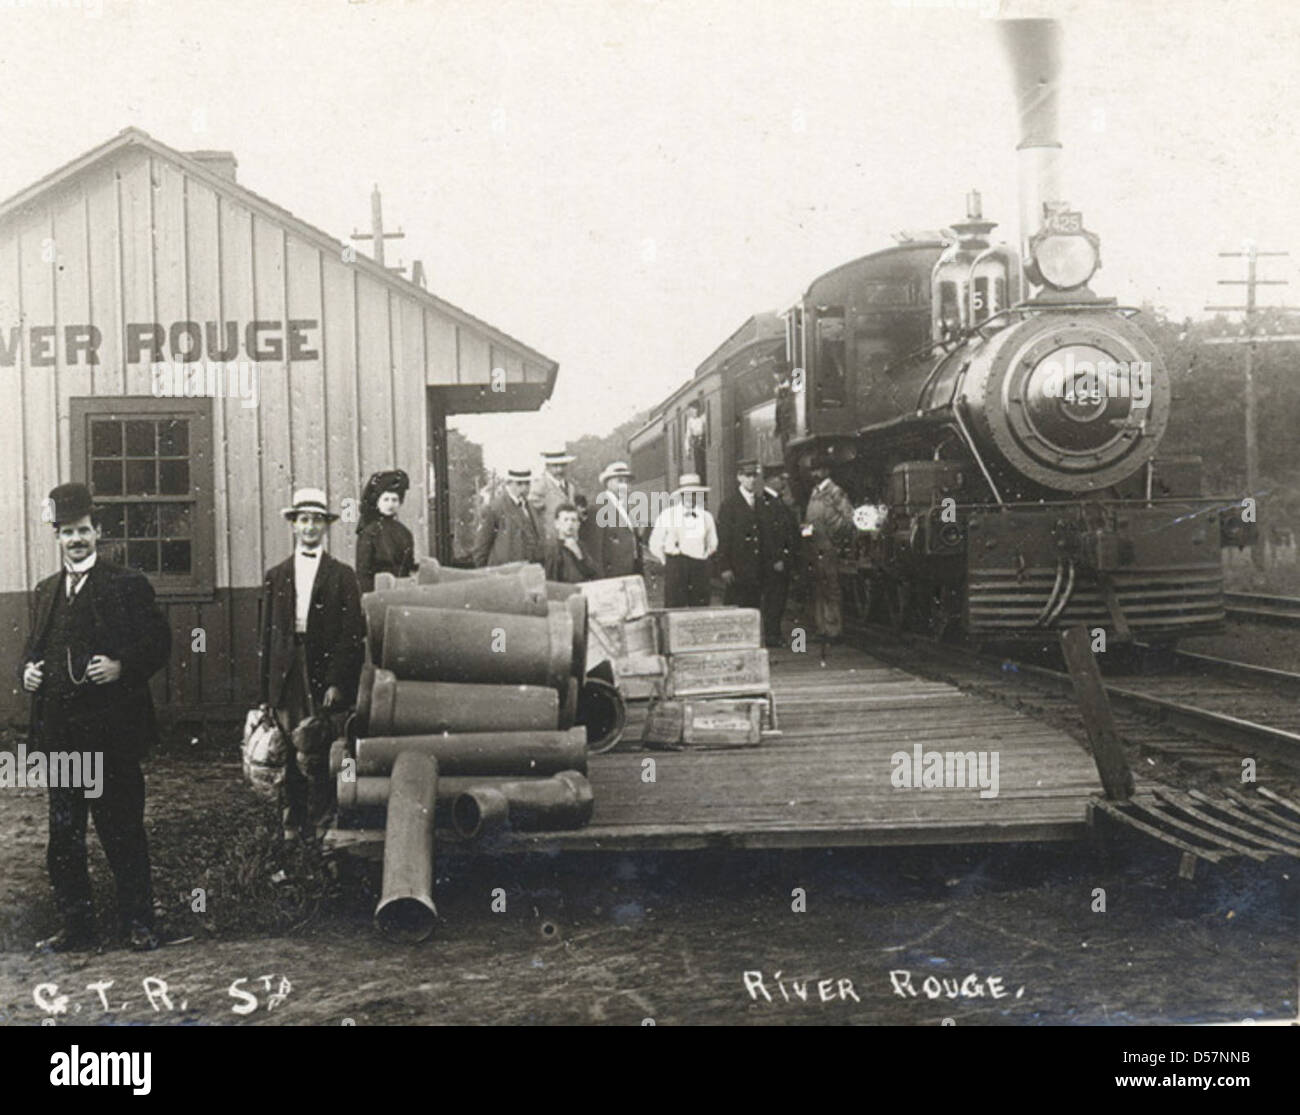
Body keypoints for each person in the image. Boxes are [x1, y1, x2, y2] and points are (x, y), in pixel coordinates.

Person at [20, 482, 171, 952]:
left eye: (83, 530)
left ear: (98, 531)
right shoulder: (47, 592)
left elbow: (160, 643)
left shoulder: (127, 585)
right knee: (64, 837)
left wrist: (122, 666)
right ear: (57, 536)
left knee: (121, 830)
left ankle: (139, 923)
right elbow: (35, 649)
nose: (77, 540)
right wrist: (27, 670)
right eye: (67, 532)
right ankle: (77, 925)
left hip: (111, 737)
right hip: (62, 737)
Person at [259, 488, 366, 844]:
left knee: (320, 747)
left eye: (316, 521)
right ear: (293, 526)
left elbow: (351, 635)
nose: (309, 527)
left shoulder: (341, 575)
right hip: (286, 670)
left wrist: (337, 681)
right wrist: (266, 691)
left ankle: (324, 828)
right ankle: (292, 826)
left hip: (322, 671)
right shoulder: (277, 575)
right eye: (303, 520)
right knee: (287, 749)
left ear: (326, 527)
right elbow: (266, 636)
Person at [803, 459, 856, 654]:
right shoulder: (815, 492)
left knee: (831, 587)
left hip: (827, 545)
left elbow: (849, 518)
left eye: (817, 469)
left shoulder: (835, 492)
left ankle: (834, 629)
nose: (814, 473)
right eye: (813, 470)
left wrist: (836, 535)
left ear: (826, 470)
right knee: (819, 586)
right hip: (815, 545)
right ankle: (822, 627)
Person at [648, 473, 717, 607]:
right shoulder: (668, 515)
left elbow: (712, 543)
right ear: (681, 495)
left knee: (699, 608)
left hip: (699, 568)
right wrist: (668, 560)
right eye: (687, 493)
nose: (691, 497)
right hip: (676, 567)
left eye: (694, 493)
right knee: (675, 608)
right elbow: (655, 543)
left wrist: (702, 556)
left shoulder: (706, 517)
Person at [716, 458, 769, 612]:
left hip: (757, 568)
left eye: (754, 475)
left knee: (754, 608)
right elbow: (724, 538)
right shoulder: (729, 505)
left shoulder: (760, 503)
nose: (752, 479)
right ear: (739, 477)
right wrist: (724, 567)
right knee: (736, 608)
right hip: (738, 568)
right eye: (747, 475)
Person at [355, 469, 416, 593]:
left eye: (394, 500)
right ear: (377, 502)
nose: (390, 504)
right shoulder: (369, 532)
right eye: (386, 499)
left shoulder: (404, 532)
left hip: (401, 591)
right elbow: (363, 572)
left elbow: (408, 566)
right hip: (378, 591)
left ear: (400, 503)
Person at [759, 465, 799, 647]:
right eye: (781, 479)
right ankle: (772, 635)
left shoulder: (777, 501)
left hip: (783, 559)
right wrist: (776, 558)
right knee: (774, 598)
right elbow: (768, 534)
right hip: (775, 561)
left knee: (778, 598)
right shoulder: (766, 503)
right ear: (771, 480)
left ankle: (774, 633)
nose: (784, 482)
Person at [473, 468, 543, 567]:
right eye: (519, 484)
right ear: (509, 484)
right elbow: (481, 547)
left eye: (527, 483)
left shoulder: (530, 507)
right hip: (504, 574)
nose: (524, 488)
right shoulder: (495, 508)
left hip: (527, 572)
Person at [591, 461, 644, 577]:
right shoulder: (599, 508)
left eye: (627, 482)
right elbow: (596, 549)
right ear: (607, 483)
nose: (624, 486)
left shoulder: (627, 506)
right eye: (619, 481)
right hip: (613, 571)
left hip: (632, 567)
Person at [543, 503, 600, 583]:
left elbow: (593, 574)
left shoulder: (582, 546)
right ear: (557, 524)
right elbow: (552, 582)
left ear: (578, 525)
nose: (570, 524)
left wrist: (579, 555)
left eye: (573, 520)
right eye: (565, 520)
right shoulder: (554, 550)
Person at [530, 450, 578, 543]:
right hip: (550, 540)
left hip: (570, 538)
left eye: (562, 465)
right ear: (547, 466)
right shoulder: (540, 485)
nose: (559, 470)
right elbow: (532, 514)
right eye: (555, 466)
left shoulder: (570, 487)